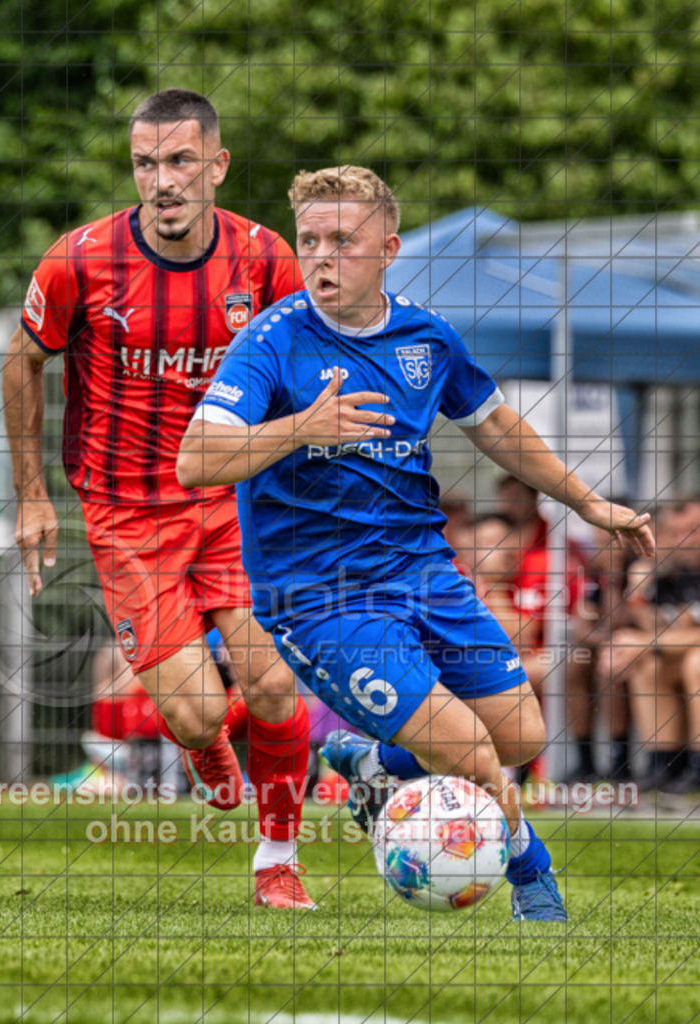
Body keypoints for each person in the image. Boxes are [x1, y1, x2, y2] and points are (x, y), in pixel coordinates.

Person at [177, 165, 655, 921]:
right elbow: (194, 460)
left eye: (342, 240)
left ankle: (370, 764)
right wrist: (300, 428)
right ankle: (533, 875)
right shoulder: (271, 341)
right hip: (319, 598)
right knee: (465, 747)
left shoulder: (425, 338)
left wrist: (588, 501)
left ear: (388, 248)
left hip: (422, 571)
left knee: (520, 733)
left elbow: (495, 424)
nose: (322, 257)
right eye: (309, 241)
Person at [2, 89, 315, 909]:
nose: (162, 181)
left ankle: (277, 861)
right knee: (196, 714)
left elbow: (301, 370)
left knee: (277, 687)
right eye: (146, 163)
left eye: (180, 161)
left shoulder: (264, 259)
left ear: (216, 166)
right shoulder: (80, 259)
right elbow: (21, 363)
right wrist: (32, 496)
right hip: (127, 517)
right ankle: (202, 741)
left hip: (232, 507)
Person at [600, 499, 700, 793]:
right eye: (677, 532)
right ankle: (666, 764)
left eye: (694, 531)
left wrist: (645, 643)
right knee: (647, 664)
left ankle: (697, 765)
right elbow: (663, 630)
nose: (686, 541)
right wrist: (638, 590)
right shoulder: (677, 573)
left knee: (695, 662)